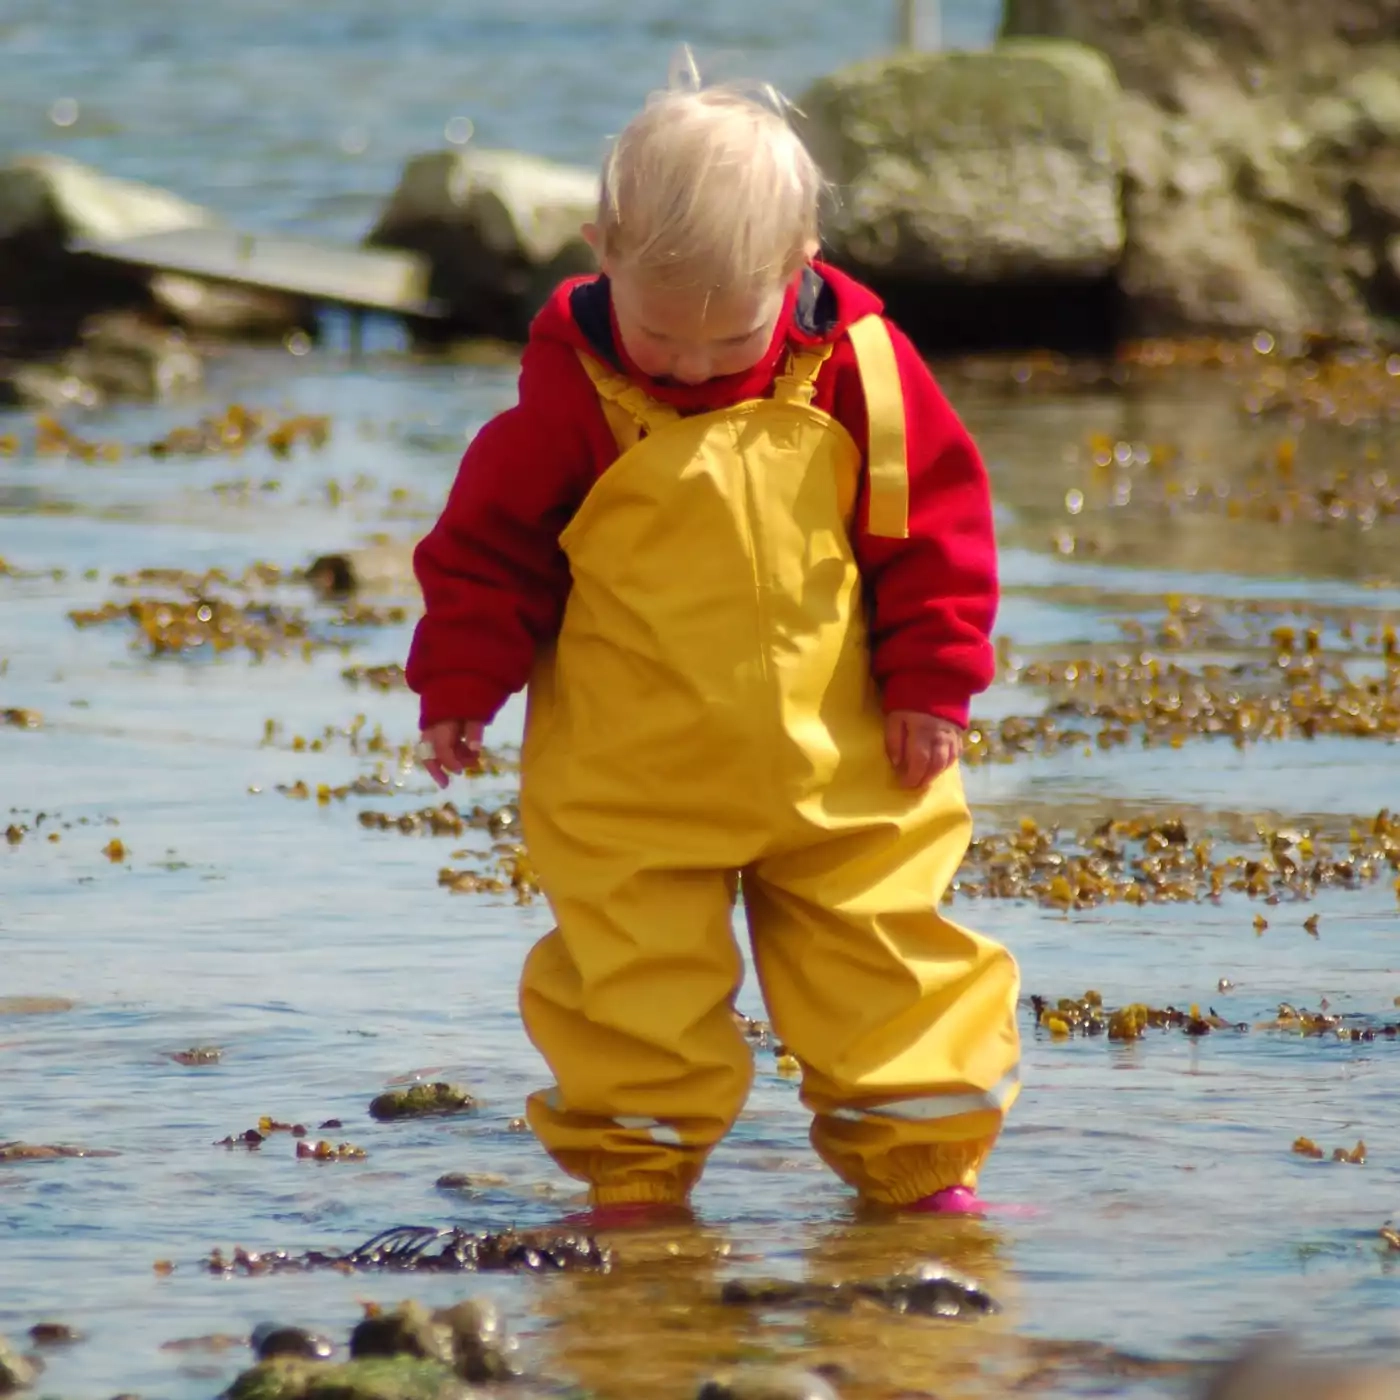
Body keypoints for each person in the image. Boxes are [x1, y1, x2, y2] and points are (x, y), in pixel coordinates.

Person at [406, 66, 1020, 1225]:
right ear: (600, 252)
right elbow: (486, 554)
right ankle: (637, 1179)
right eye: (658, 333)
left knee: (888, 962)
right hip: (631, 776)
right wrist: (458, 686)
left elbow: (932, 531)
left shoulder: (864, 370)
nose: (686, 366)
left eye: (724, 336)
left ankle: (920, 1170)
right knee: (629, 985)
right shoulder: (570, 396)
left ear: (796, 262)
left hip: (846, 762)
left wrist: (934, 682)